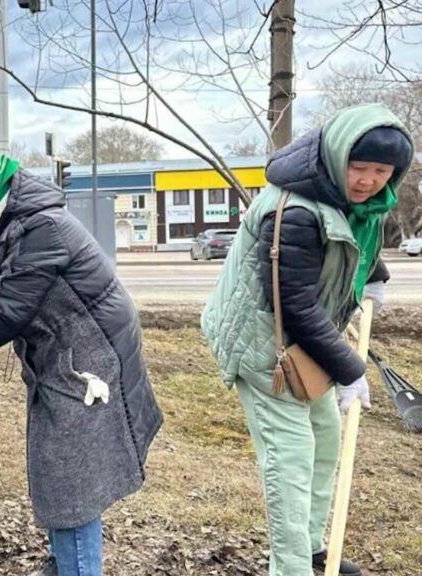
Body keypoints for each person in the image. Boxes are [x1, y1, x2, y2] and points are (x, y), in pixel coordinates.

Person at [0, 147, 162, 576]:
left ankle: (77, 569)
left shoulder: (41, 229)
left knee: (73, 482)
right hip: (56, 353)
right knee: (55, 468)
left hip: (90, 355)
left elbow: (8, 314)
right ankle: (64, 562)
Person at [201, 103, 414, 576]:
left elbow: (352, 244)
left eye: (382, 171)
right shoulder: (295, 210)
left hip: (304, 345)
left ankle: (314, 550)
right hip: (264, 348)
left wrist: (373, 272)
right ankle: (291, 567)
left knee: (325, 439)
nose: (369, 181)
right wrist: (349, 370)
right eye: (360, 168)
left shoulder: (357, 201)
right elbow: (294, 307)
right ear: (339, 158)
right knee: (290, 461)